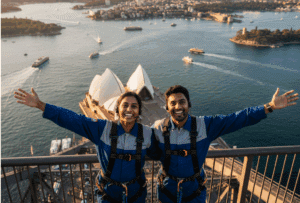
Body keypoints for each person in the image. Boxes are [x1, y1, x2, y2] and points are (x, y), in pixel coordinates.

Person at [151, 85, 298, 203]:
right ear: (167, 107)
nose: (178, 106)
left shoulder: (205, 125)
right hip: (167, 191)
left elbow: (237, 119)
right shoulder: (158, 128)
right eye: (173, 103)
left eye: (182, 102)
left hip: (194, 193)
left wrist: (269, 107)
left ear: (189, 104)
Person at [14, 88, 160, 203]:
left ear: (139, 111)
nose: (129, 109)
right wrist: (41, 105)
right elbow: (73, 120)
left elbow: (162, 152)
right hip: (108, 195)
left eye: (134, 106)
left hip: (136, 195)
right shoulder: (103, 129)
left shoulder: (147, 134)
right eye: (125, 105)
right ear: (118, 109)